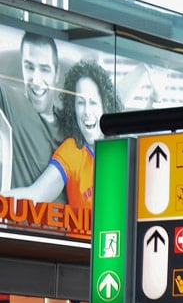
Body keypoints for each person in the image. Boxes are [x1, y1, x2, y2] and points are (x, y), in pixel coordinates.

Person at [9, 59, 120, 208]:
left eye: (93, 102)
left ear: (105, 106)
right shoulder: (72, 151)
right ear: (73, 108)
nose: (87, 111)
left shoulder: (121, 151)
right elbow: (35, 195)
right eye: (80, 103)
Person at [0, 32, 63, 195]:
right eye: (29, 67)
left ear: (57, 74)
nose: (36, 80)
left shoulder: (70, 123)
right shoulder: (12, 102)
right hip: (19, 210)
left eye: (45, 69)